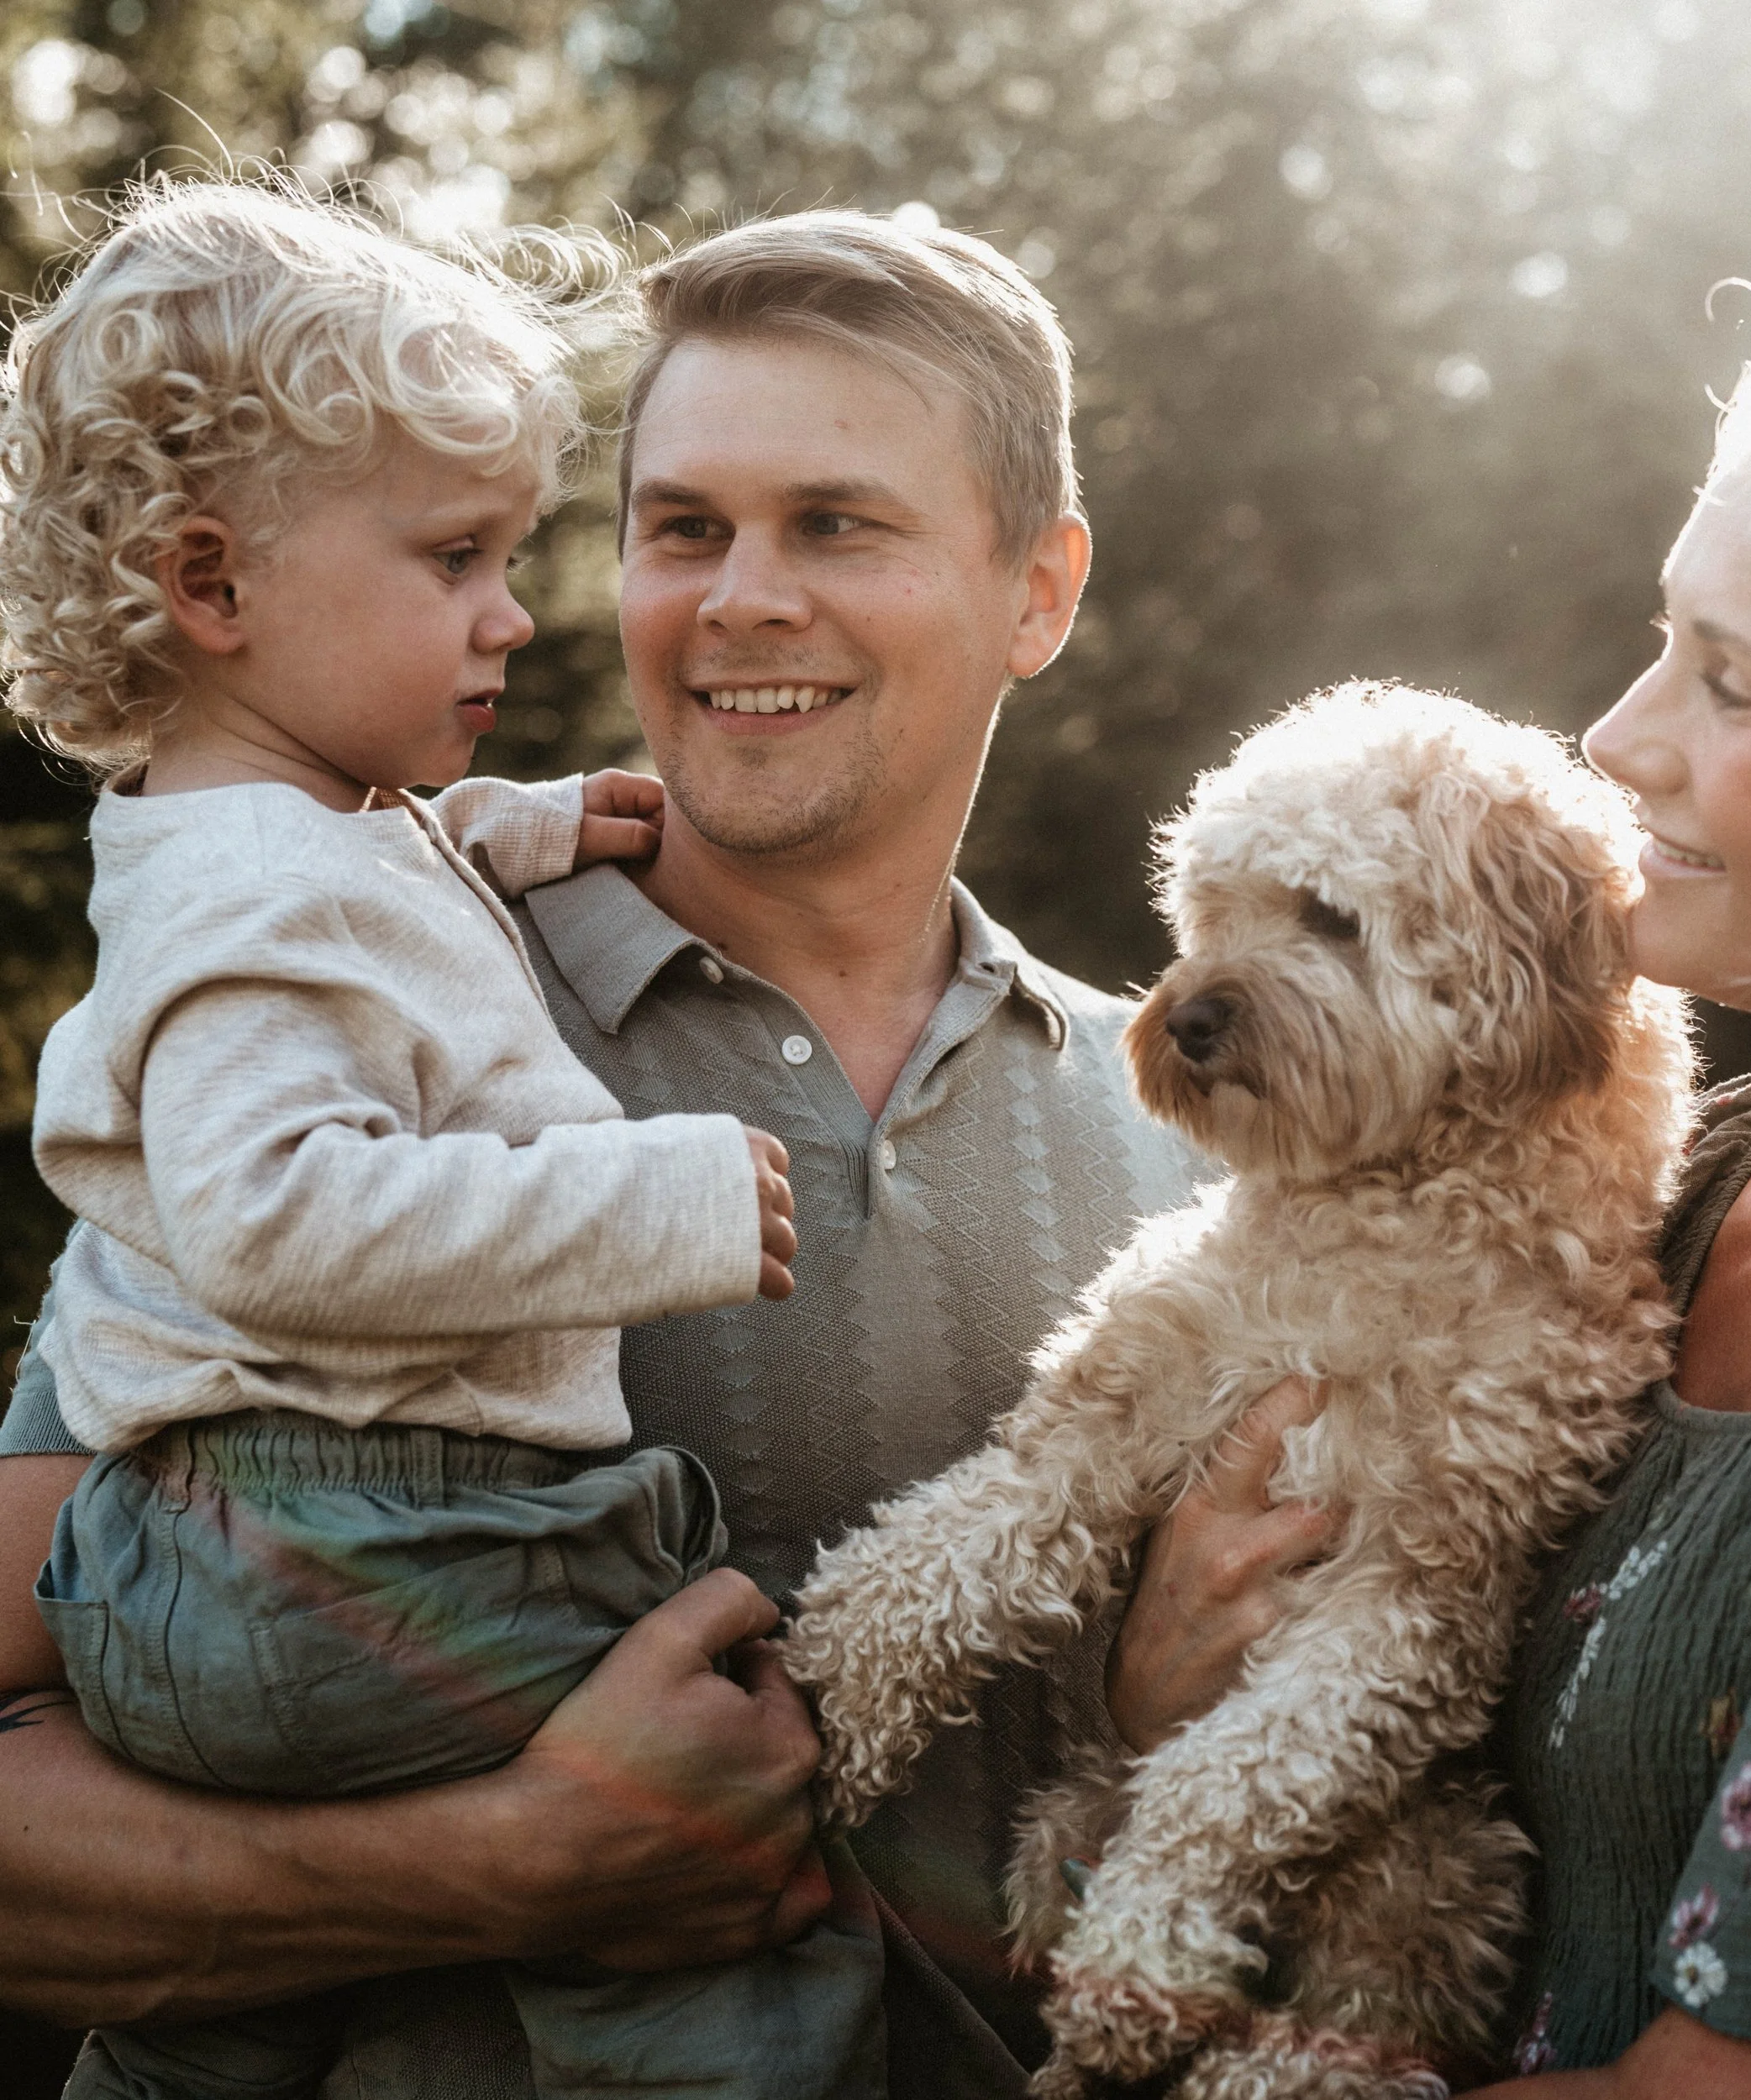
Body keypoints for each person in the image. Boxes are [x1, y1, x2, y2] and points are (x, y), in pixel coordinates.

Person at [0, 203, 1200, 2097]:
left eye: (834, 523)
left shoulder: (1197, 1142)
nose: (736, 598)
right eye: (678, 526)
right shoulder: (375, 1017)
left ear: (1036, 591)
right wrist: (494, 1867)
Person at [1109, 275, 1751, 2095]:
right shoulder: (1703, 1178)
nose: (1617, 737)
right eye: (1661, 641)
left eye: (1723, 678)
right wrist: (1174, 1683)